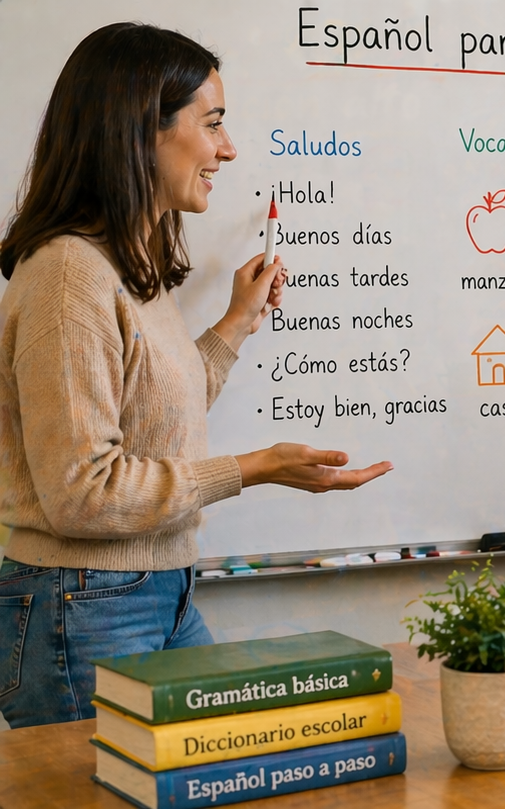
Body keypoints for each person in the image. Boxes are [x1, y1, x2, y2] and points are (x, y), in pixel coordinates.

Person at [0, 24, 391, 729]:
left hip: (151, 593)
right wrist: (254, 466)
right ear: (140, 128)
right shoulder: (68, 275)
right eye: (212, 124)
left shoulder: (131, 266)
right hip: (84, 603)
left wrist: (237, 321)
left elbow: (157, 421)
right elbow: (82, 494)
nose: (228, 148)